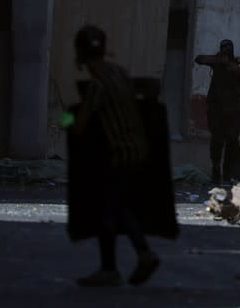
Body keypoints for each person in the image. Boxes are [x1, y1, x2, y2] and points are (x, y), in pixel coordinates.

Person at [68, 25, 161, 287]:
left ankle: (121, 264)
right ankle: (133, 258)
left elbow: (80, 124)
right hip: (137, 149)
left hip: (118, 154)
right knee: (117, 206)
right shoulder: (119, 73)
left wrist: (62, 117)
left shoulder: (97, 86)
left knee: (109, 209)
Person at [195, 39, 240, 184]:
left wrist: (227, 63)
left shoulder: (238, 64)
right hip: (216, 110)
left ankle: (228, 172)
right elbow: (199, 59)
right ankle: (216, 170)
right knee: (217, 141)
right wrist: (217, 59)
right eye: (224, 48)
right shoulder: (216, 62)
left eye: (228, 49)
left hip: (233, 111)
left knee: (232, 141)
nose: (226, 51)